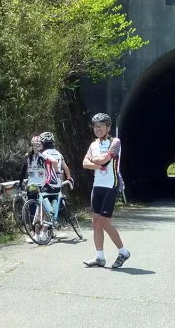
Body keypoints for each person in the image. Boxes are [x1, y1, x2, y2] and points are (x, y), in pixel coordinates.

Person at [82, 113, 130, 268]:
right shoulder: (93, 145)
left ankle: (123, 252)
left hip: (110, 185)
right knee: (95, 221)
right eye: (95, 126)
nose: (98, 129)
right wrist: (98, 163)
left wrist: (95, 161)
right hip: (97, 186)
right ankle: (99, 257)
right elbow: (84, 163)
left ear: (108, 127)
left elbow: (105, 160)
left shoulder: (115, 142)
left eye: (101, 126)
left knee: (104, 221)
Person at [34, 131, 73, 238]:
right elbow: (66, 167)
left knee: (42, 209)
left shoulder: (44, 154)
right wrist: (69, 178)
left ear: (43, 143)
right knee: (51, 210)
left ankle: (37, 233)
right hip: (57, 186)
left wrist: (56, 173)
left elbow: (45, 166)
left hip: (47, 184)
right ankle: (45, 233)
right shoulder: (59, 154)